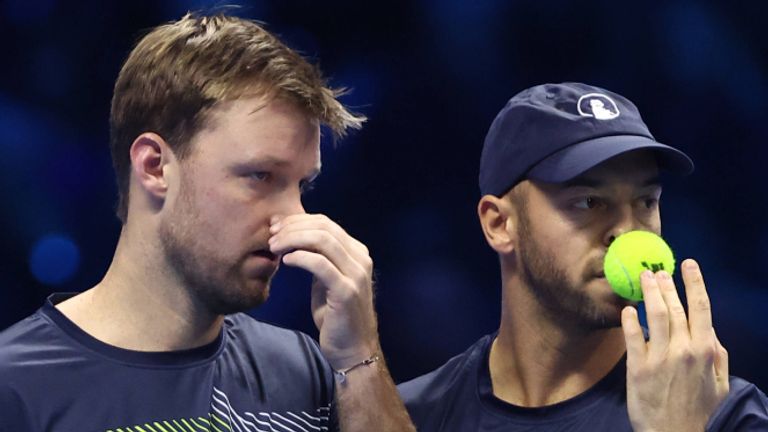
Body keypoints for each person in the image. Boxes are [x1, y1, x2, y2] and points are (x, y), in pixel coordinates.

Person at [0, 13, 415, 432]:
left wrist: (360, 359)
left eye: (301, 186)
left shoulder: (306, 370)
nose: (295, 218)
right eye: (260, 176)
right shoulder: (15, 386)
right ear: (155, 166)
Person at [398, 82, 768, 431]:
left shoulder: (723, 414)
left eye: (646, 201)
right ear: (499, 224)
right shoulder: (413, 415)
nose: (627, 230)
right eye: (589, 202)